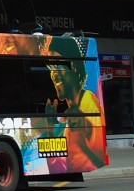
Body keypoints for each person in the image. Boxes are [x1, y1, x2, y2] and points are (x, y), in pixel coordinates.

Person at [44, 35, 106, 172]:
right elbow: (58, 167)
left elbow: (99, 158)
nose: (53, 73)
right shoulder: (69, 113)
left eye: (57, 64)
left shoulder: (88, 103)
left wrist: (82, 143)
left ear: (73, 65)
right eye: (50, 66)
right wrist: (50, 129)